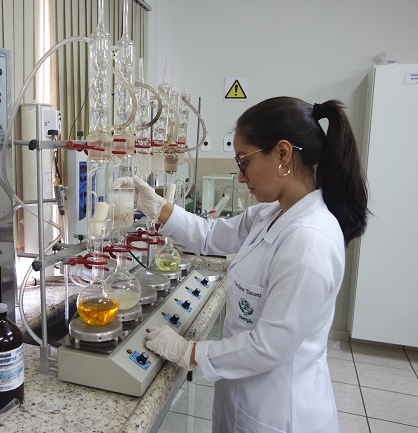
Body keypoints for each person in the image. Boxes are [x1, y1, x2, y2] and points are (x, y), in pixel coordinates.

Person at [136, 97, 369, 433]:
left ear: (283, 153)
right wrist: (157, 207)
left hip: (281, 414)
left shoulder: (309, 241)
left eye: (244, 162)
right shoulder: (270, 213)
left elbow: (269, 346)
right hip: (244, 398)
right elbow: (211, 235)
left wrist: (189, 352)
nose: (241, 177)